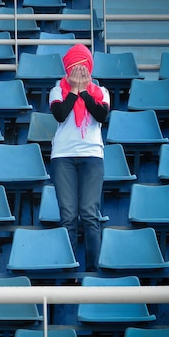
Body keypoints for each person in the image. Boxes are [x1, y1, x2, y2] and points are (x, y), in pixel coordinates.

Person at [48, 44, 110, 272]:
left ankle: (93, 271)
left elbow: (101, 114)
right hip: (63, 157)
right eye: (74, 68)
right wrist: (73, 90)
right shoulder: (57, 91)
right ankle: (69, 271)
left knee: (90, 214)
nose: (79, 72)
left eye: (82, 67)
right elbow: (60, 114)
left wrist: (84, 90)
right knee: (68, 216)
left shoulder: (101, 92)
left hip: (92, 156)